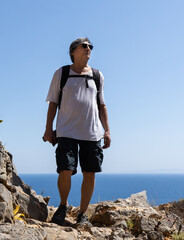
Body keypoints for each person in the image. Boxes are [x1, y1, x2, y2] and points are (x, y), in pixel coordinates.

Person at [43, 37, 111, 226]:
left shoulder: (97, 75)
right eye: (84, 46)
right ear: (73, 51)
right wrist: (48, 128)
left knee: (90, 172)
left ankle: (82, 213)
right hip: (66, 131)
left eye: (90, 46)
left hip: (92, 132)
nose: (88, 49)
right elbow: (53, 103)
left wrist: (107, 131)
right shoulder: (62, 73)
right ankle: (63, 206)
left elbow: (102, 105)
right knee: (65, 169)